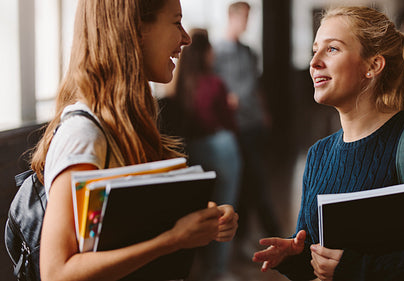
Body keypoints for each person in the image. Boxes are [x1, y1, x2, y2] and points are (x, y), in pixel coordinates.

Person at [253, 6, 404, 281]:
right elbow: (320, 258)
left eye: (332, 49)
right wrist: (294, 255)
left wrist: (359, 269)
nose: (314, 62)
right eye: (315, 50)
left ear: (373, 66)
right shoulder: (318, 155)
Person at [32, 1, 238, 280]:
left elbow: (117, 231)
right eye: (176, 22)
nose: (186, 38)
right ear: (135, 30)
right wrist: (172, 239)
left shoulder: (124, 125)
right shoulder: (84, 135)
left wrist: (201, 220)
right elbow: (57, 273)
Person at [213, 1, 282, 252]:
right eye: (244, 18)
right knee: (252, 180)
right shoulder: (217, 52)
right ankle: (272, 233)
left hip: (254, 123)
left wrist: (264, 113)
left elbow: (256, 86)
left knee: (252, 180)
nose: (247, 24)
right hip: (234, 126)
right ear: (233, 18)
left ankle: (251, 238)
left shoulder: (249, 51)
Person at [174, 28, 242, 281]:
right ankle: (217, 272)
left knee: (200, 209)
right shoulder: (215, 83)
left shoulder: (180, 85)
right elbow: (229, 121)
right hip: (221, 146)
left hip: (192, 150)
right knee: (225, 209)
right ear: (205, 52)